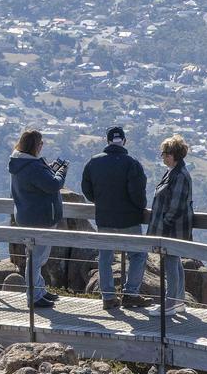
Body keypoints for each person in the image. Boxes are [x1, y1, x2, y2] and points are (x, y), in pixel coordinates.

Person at [81, 126, 149, 309]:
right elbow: (138, 194)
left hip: (104, 218)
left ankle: (108, 297)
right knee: (138, 254)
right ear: (124, 141)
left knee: (105, 256)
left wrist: (100, 202)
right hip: (130, 219)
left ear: (107, 140)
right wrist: (138, 207)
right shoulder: (132, 163)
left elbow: (87, 190)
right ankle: (131, 293)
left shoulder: (93, 163)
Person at [9, 129, 67, 308]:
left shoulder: (21, 163)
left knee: (36, 257)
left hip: (28, 216)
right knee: (36, 259)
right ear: (35, 145)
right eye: (41, 144)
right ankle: (33, 296)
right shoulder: (32, 166)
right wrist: (62, 171)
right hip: (39, 219)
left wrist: (50, 170)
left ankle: (39, 290)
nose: (42, 147)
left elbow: (41, 182)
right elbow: (53, 185)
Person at [148, 135, 194, 317]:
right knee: (175, 263)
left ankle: (170, 304)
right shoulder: (173, 171)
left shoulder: (180, 175)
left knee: (171, 264)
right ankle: (179, 301)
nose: (163, 157)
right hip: (173, 228)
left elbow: (175, 206)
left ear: (175, 154)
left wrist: (164, 225)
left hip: (172, 229)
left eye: (166, 153)